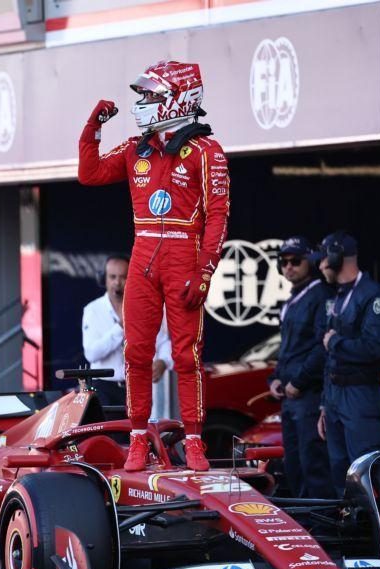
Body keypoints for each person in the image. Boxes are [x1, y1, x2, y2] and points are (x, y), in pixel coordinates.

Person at [78, 60, 229, 472]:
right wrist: (93, 127)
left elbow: (218, 215)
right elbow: (88, 174)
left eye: (150, 95)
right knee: (137, 354)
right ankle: (138, 440)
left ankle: (194, 441)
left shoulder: (206, 152)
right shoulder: (134, 148)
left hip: (184, 257)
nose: (142, 103)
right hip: (142, 255)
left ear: (178, 98)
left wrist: (204, 270)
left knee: (186, 355)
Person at [315, 232, 380, 495]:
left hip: (360, 395)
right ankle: (347, 530)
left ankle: (373, 534)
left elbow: (373, 348)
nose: (321, 265)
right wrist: (325, 404)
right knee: (339, 471)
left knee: (365, 471)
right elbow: (330, 357)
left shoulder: (373, 296)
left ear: (337, 257)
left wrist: (335, 341)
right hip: (336, 397)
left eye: (324, 258)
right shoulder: (339, 295)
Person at [268, 237, 335, 499]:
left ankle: (321, 531)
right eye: (283, 262)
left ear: (312, 261)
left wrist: (299, 381)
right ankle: (304, 529)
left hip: (309, 395)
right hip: (290, 398)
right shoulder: (293, 299)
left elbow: (322, 347)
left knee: (313, 466)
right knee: (294, 466)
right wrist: (274, 378)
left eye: (296, 261)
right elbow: (289, 348)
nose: (289, 267)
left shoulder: (321, 295)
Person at [82, 254, 172, 411]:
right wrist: (120, 327)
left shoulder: (145, 309)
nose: (117, 283)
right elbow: (91, 353)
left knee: (139, 434)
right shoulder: (92, 310)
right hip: (104, 388)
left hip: (137, 387)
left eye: (123, 277)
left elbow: (164, 341)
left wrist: (164, 361)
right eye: (112, 277)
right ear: (104, 279)